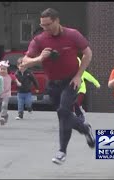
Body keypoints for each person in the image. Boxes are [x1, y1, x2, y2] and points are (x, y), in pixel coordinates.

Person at [22, 8, 95, 165]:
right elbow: (25, 61)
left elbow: (88, 54)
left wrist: (78, 76)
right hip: (53, 84)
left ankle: (62, 151)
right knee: (64, 115)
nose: (45, 28)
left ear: (56, 21)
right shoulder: (39, 40)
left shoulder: (73, 34)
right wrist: (40, 58)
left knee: (63, 111)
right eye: (42, 25)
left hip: (71, 81)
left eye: (48, 24)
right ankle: (84, 128)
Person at [74, 57, 100, 122]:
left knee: (77, 102)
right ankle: (79, 112)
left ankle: (80, 114)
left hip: (81, 91)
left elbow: (90, 78)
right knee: (74, 105)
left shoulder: (82, 72)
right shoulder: (70, 73)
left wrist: (97, 84)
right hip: (73, 91)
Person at [0, 60, 12, 125]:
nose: (2, 70)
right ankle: (5, 115)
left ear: (7, 70)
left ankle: (2, 117)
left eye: (4, 69)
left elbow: (15, 80)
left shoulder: (9, 77)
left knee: (4, 105)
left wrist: (18, 82)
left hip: (6, 94)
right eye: (1, 69)